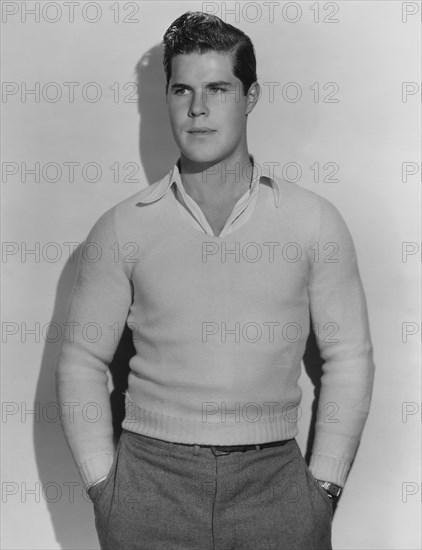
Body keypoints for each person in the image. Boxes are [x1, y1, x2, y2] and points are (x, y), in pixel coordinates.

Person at [55, 11, 376, 550]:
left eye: (218, 88)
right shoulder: (123, 225)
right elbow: (81, 360)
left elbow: (349, 359)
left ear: (250, 96)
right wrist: (103, 487)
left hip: (276, 487)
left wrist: (323, 486)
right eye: (182, 89)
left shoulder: (312, 220)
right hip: (147, 487)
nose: (198, 109)